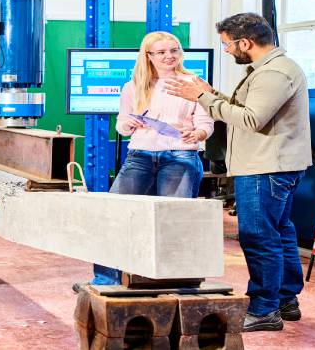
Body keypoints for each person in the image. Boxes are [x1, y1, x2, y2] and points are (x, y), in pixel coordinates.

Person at [165, 12, 312, 333]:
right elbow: (246, 109)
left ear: (245, 42)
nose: (228, 50)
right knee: (279, 232)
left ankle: (263, 309)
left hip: (265, 168)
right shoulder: (270, 69)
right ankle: (284, 299)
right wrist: (211, 93)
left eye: (228, 45)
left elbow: (250, 119)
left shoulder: (273, 73)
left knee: (259, 238)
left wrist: (200, 97)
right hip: (274, 165)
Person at [76, 31, 214, 290]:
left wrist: (198, 134)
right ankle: (105, 279)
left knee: (173, 222)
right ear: (148, 56)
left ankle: (172, 283)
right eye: (161, 52)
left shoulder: (194, 83)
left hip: (181, 157)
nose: (169, 56)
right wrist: (128, 124)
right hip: (139, 156)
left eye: (174, 50)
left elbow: (206, 123)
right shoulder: (133, 86)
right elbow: (121, 123)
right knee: (114, 215)